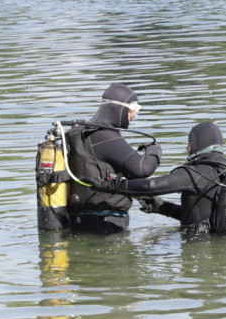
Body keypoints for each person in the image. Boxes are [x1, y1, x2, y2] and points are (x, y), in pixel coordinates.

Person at [87, 122, 226, 236]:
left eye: (190, 143)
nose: (187, 148)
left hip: (197, 251)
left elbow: (151, 185)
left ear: (196, 145)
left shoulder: (195, 172)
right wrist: (163, 207)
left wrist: (111, 185)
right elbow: (208, 217)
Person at [65, 83, 162, 234]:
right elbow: (143, 168)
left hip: (79, 223)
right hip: (106, 226)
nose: (132, 117)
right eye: (132, 110)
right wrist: (154, 151)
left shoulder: (83, 132)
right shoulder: (104, 136)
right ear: (120, 108)